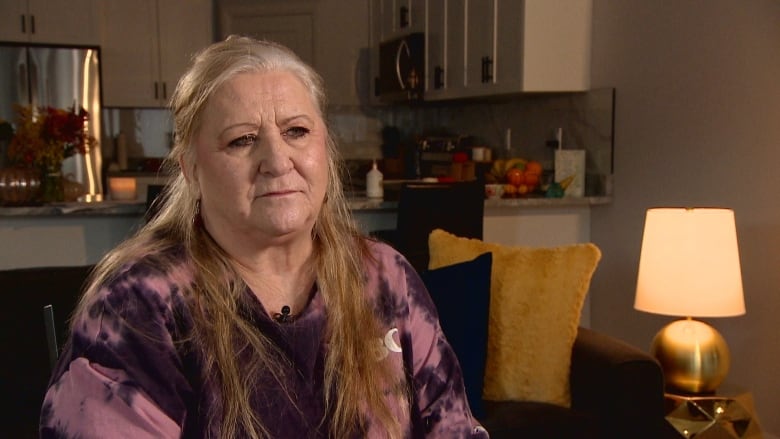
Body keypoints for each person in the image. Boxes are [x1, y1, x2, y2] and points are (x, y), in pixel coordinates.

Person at [40, 36, 488, 439]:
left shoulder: (386, 276)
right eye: (242, 140)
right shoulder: (138, 305)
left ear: (325, 151)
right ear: (190, 168)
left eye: (297, 131)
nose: (277, 160)